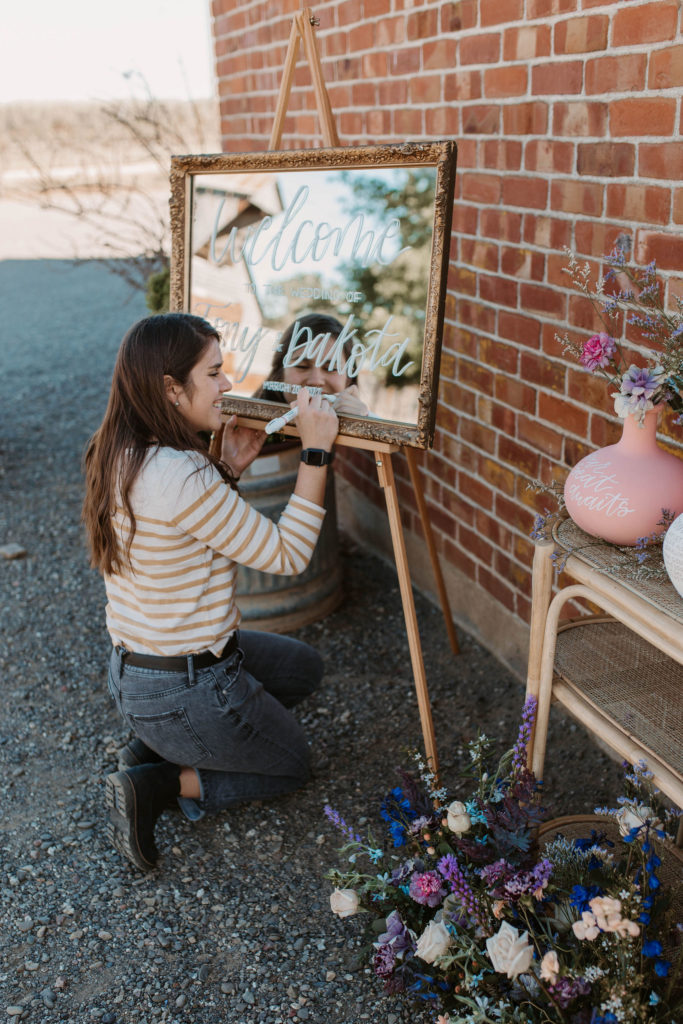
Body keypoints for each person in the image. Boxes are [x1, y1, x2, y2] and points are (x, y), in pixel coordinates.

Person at [82, 312, 338, 872]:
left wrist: (227, 469)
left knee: (304, 668)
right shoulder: (182, 473)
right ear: (171, 389)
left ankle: (152, 741)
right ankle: (156, 782)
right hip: (187, 687)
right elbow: (287, 556)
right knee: (292, 764)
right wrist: (316, 453)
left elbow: (176, 530)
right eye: (215, 373)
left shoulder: (117, 451)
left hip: (137, 674)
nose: (228, 385)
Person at [260, 312, 369, 417]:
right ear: (280, 374)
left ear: (348, 378)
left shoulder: (368, 427)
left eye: (331, 368)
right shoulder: (248, 429)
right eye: (302, 366)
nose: (316, 380)